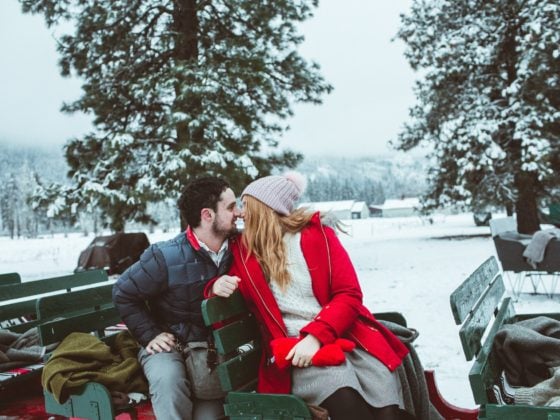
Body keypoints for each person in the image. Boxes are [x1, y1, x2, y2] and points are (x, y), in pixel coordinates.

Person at [209, 173, 412, 420]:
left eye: (247, 205)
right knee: (347, 401)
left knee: (386, 403)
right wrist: (216, 287)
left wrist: (316, 336)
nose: (241, 213)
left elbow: (348, 294)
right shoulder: (244, 253)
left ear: (267, 208)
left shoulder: (318, 237)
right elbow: (223, 299)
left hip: (341, 336)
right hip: (297, 354)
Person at [113, 176, 240, 419]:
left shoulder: (237, 249)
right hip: (171, 343)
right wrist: (150, 334)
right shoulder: (165, 256)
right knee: (168, 381)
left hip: (212, 348)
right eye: (231, 207)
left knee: (208, 415)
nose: (239, 213)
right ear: (207, 215)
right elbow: (123, 293)